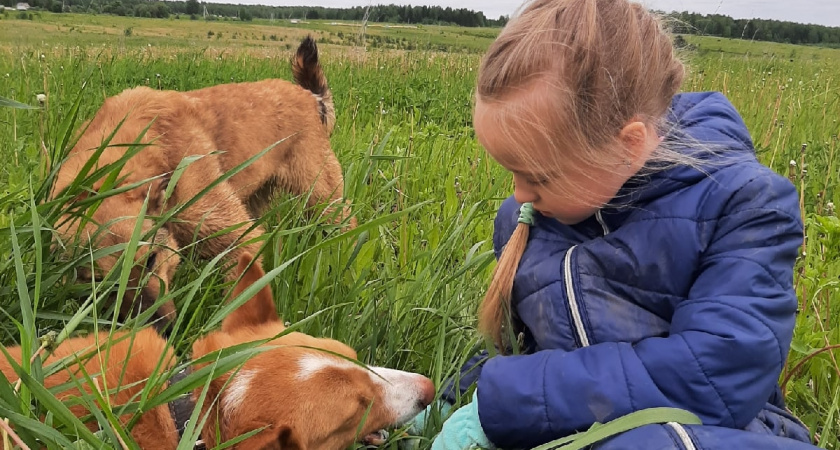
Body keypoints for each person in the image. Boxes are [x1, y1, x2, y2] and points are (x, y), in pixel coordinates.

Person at [408, 0, 823, 449]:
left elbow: (710, 378)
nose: (519, 194)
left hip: (716, 431)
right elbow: (525, 353)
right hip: (579, 425)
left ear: (628, 144)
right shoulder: (525, 218)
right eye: (511, 172)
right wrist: (457, 400)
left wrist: (504, 401)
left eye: (538, 176)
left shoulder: (745, 204)